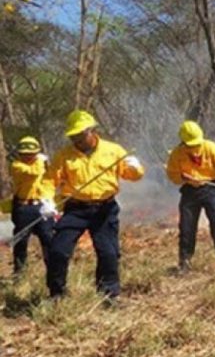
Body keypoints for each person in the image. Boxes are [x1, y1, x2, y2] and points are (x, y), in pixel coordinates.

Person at [43, 110, 144, 301]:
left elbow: (132, 176)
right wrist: (47, 199)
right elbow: (48, 180)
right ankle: (57, 294)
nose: (77, 140)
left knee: (109, 253)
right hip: (75, 209)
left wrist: (135, 168)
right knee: (58, 250)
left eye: (81, 135)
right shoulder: (64, 156)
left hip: (104, 209)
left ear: (92, 131)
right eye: (73, 136)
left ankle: (109, 295)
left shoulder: (113, 150)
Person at [165, 120, 215, 272]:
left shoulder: (211, 148)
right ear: (183, 142)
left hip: (210, 188)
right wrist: (183, 177)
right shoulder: (177, 154)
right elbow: (172, 175)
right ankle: (185, 262)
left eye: (196, 144)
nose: (194, 148)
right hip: (189, 191)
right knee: (187, 226)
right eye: (190, 145)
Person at [8, 136, 56, 275]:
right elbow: (34, 173)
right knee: (21, 241)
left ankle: (53, 273)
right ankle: (19, 273)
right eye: (24, 154)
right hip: (23, 208)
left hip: (43, 207)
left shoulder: (43, 166)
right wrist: (41, 160)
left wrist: (49, 201)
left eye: (31, 154)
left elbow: (50, 182)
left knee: (48, 239)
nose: (28, 157)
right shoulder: (17, 166)